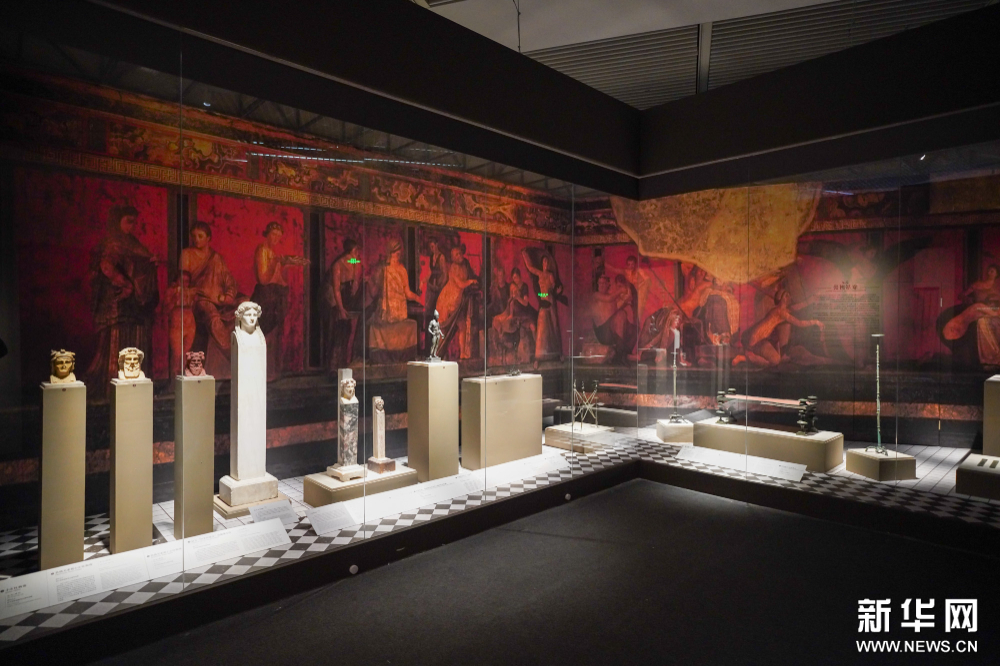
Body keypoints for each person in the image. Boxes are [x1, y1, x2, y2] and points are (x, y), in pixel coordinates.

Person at [86, 203, 159, 392]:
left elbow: (142, 262)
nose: (131, 227)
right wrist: (124, 283)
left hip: (136, 303)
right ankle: (110, 386)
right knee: (116, 340)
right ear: (118, 221)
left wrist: (151, 262)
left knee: (136, 337)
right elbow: (106, 267)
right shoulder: (112, 243)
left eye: (134, 223)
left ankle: (136, 383)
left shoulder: (134, 243)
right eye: (128, 222)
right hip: (117, 301)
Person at [251, 221, 308, 378]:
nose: (276, 238)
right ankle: (259, 371)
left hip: (275, 295)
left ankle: (269, 371)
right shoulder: (262, 250)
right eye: (274, 234)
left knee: (273, 334)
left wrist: (288, 265)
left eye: (278, 236)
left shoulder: (272, 252)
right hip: (265, 296)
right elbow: (263, 279)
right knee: (264, 333)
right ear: (267, 234)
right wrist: (276, 262)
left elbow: (278, 279)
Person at [179, 222, 241, 365]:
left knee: (245, 304)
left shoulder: (216, 258)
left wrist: (229, 295)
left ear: (208, 238)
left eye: (200, 236)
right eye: (194, 236)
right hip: (200, 300)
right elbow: (183, 283)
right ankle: (233, 357)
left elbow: (229, 280)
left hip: (220, 300)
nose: (196, 239)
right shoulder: (187, 254)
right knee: (213, 318)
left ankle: (242, 352)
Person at [732, 289, 826, 367]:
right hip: (754, 340)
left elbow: (796, 307)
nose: (790, 297)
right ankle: (744, 358)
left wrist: (812, 299)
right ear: (783, 298)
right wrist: (816, 322)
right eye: (787, 295)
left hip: (760, 340)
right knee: (775, 361)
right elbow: (800, 323)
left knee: (777, 359)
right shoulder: (780, 312)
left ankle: (746, 355)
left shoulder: (780, 311)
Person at [368, 240, 422, 361]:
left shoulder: (402, 270)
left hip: (399, 312)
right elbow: (374, 292)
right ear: (390, 253)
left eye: (398, 252)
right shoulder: (382, 270)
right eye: (395, 253)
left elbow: (407, 293)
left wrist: (418, 298)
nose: (397, 255)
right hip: (386, 312)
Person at [325, 238, 362, 369]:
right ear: (351, 251)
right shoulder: (338, 265)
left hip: (347, 298)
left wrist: (355, 283)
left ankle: (342, 364)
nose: (358, 253)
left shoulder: (353, 261)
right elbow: (336, 290)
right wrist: (340, 309)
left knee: (346, 330)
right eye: (356, 251)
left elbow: (355, 277)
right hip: (335, 300)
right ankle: (333, 367)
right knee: (338, 332)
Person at [437, 245, 479, 359]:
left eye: (460, 253)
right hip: (447, 301)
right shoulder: (453, 269)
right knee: (443, 327)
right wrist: (471, 281)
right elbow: (461, 284)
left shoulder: (465, 265)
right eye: (457, 254)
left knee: (462, 326)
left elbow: (470, 276)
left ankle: (462, 353)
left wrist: (475, 280)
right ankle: (437, 353)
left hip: (457, 302)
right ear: (453, 258)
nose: (459, 256)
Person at [522, 249, 562, 363]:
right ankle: (539, 357)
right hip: (543, 302)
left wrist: (557, 292)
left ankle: (558, 354)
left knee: (554, 326)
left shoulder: (550, 275)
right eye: (544, 262)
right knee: (541, 328)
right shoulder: (539, 274)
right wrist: (524, 254)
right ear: (542, 263)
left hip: (550, 301)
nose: (545, 264)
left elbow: (552, 291)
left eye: (547, 262)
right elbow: (530, 268)